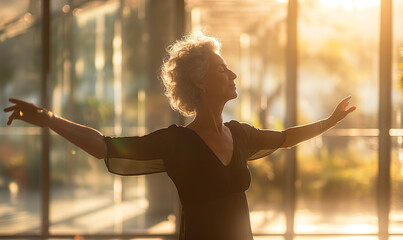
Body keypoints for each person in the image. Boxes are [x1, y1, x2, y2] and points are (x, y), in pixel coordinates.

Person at [4, 33, 356, 240]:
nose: (233, 74)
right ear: (200, 82)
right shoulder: (177, 142)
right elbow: (104, 146)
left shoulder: (240, 135)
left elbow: (284, 137)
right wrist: (49, 119)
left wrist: (329, 121)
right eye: (223, 70)